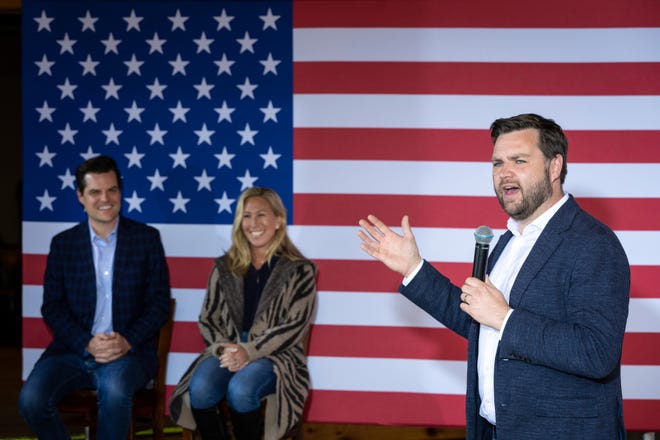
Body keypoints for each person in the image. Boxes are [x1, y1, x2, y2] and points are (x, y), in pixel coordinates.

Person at [358, 113, 630, 440]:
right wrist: (413, 268)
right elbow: (479, 322)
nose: (505, 173)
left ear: (555, 167)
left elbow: (596, 352)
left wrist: (505, 317)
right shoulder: (507, 242)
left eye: (519, 160)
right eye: (497, 163)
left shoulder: (593, 243)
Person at [18, 155, 172, 440]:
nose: (105, 198)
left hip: (129, 353)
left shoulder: (146, 239)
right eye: (95, 192)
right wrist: (86, 342)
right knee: (31, 401)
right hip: (72, 351)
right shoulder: (63, 244)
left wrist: (126, 340)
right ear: (81, 196)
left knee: (114, 393)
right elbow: (52, 306)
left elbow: (159, 303)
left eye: (112, 189)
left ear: (120, 191)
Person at [169, 186, 317, 440]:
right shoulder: (224, 268)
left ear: (278, 220)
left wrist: (249, 351)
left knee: (240, 389)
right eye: (246, 216)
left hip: (277, 357)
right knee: (200, 389)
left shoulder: (300, 270)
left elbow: (294, 326)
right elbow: (208, 318)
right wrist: (225, 350)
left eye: (261, 214)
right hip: (227, 349)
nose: (253, 223)